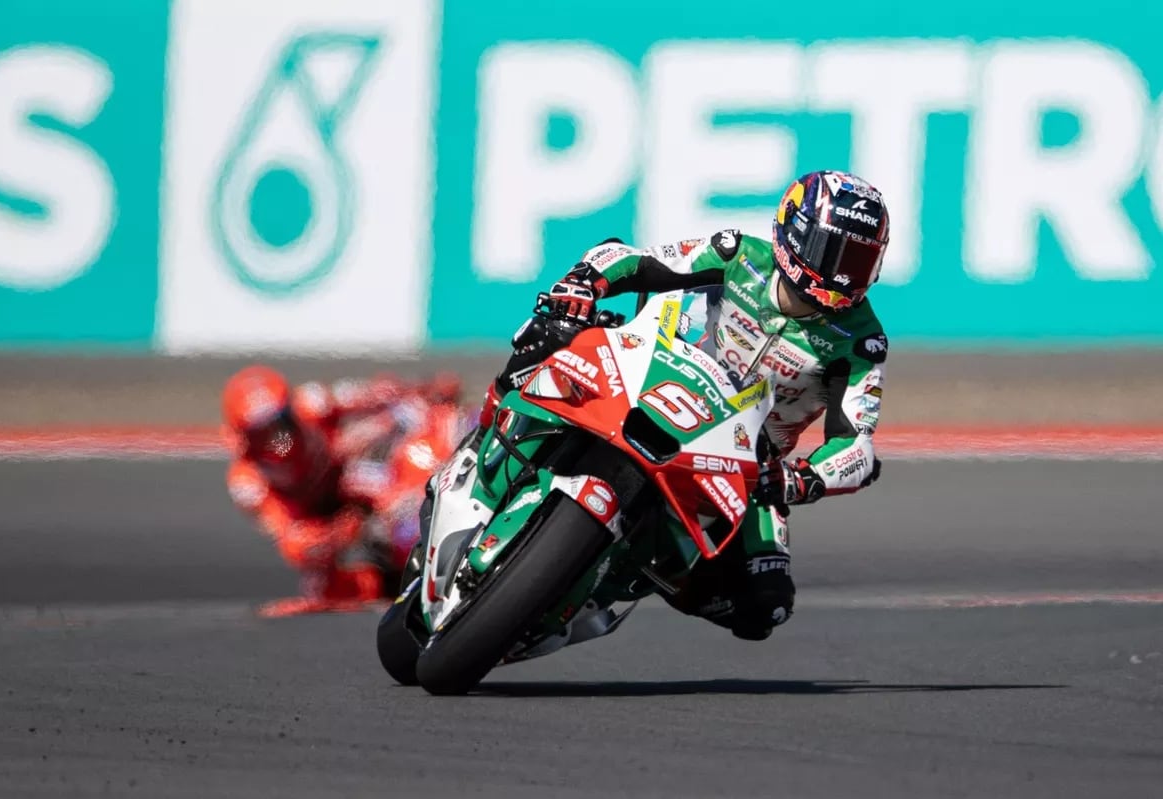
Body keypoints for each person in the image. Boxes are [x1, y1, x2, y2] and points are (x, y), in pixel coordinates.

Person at [474, 169, 889, 641]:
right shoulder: (739, 255)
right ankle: (485, 430)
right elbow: (633, 259)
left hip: (742, 457)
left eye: (859, 259)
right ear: (794, 231)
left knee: (762, 606)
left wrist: (801, 479)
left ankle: (624, 573)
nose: (842, 274)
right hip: (654, 377)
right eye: (835, 253)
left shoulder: (860, 342)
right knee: (552, 331)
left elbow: (857, 447)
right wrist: (583, 284)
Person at [221, 365, 467, 617]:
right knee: (318, 573)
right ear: (246, 436)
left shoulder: (311, 402)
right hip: (323, 518)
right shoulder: (247, 481)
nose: (281, 436)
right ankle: (395, 580)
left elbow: (374, 394)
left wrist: (422, 389)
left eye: (283, 419)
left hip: (347, 476)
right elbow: (290, 536)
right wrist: (342, 529)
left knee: (418, 427)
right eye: (266, 431)